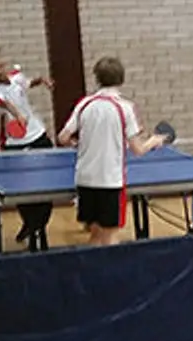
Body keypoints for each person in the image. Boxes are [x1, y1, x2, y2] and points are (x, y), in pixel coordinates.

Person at [55, 57, 167, 246]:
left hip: (85, 180)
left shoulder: (84, 104)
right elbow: (138, 149)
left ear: (97, 78)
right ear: (121, 79)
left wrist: (81, 144)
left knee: (95, 236)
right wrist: (154, 141)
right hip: (109, 181)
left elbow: (62, 138)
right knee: (110, 238)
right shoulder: (125, 108)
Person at [0, 54, 55, 245]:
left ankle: (36, 225)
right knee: (21, 189)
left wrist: (42, 80)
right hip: (15, 143)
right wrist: (18, 116)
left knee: (50, 184)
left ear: (2, 65)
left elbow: (28, 83)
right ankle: (31, 224)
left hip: (38, 137)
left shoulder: (16, 77)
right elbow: (7, 105)